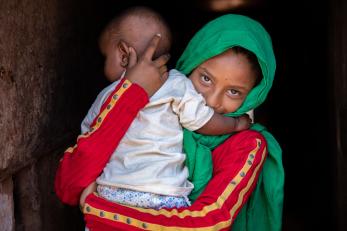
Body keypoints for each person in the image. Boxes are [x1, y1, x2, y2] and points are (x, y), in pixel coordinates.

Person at [55, 13, 284, 231]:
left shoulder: (247, 144)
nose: (212, 101)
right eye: (205, 78)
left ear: (254, 95)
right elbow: (69, 186)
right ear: (190, 63)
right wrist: (131, 97)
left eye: (234, 92)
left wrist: (99, 210)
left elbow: (207, 223)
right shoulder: (151, 110)